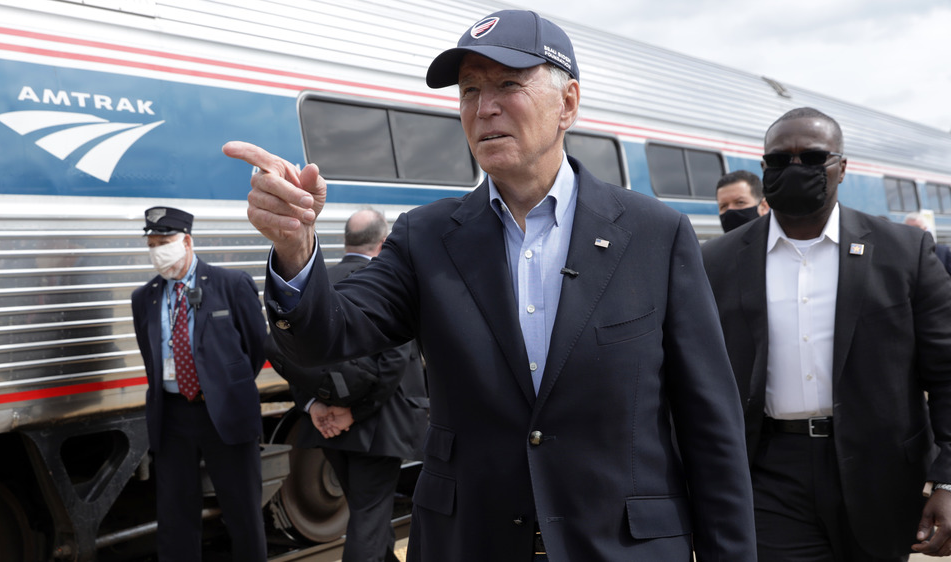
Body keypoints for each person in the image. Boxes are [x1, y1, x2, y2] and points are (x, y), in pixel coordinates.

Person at [224, 9, 756, 561]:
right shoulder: (427, 237)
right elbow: (327, 336)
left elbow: (709, 425)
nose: (485, 108)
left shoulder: (653, 234)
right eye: (469, 90)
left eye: (507, 84)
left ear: (567, 103)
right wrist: (294, 249)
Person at [701, 107, 951, 561]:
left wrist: (949, 478)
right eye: (779, 160)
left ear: (842, 167)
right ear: (764, 168)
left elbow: (947, 370)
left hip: (880, 471)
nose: (794, 169)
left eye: (812, 158)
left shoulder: (903, 252)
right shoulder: (717, 262)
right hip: (770, 471)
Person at [266, 208, 429, 562]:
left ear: (346, 241)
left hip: (327, 426)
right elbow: (395, 362)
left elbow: (290, 353)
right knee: (369, 519)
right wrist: (352, 412)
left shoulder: (315, 282)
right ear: (383, 243)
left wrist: (315, 407)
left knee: (365, 513)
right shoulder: (382, 282)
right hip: (378, 425)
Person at [130, 206, 268, 561]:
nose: (158, 250)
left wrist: (223, 387)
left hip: (224, 412)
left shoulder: (230, 284)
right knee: (175, 515)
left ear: (187, 241)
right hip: (173, 417)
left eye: (165, 242)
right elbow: (151, 357)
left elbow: (255, 347)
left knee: (242, 511)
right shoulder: (144, 297)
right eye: (152, 243)